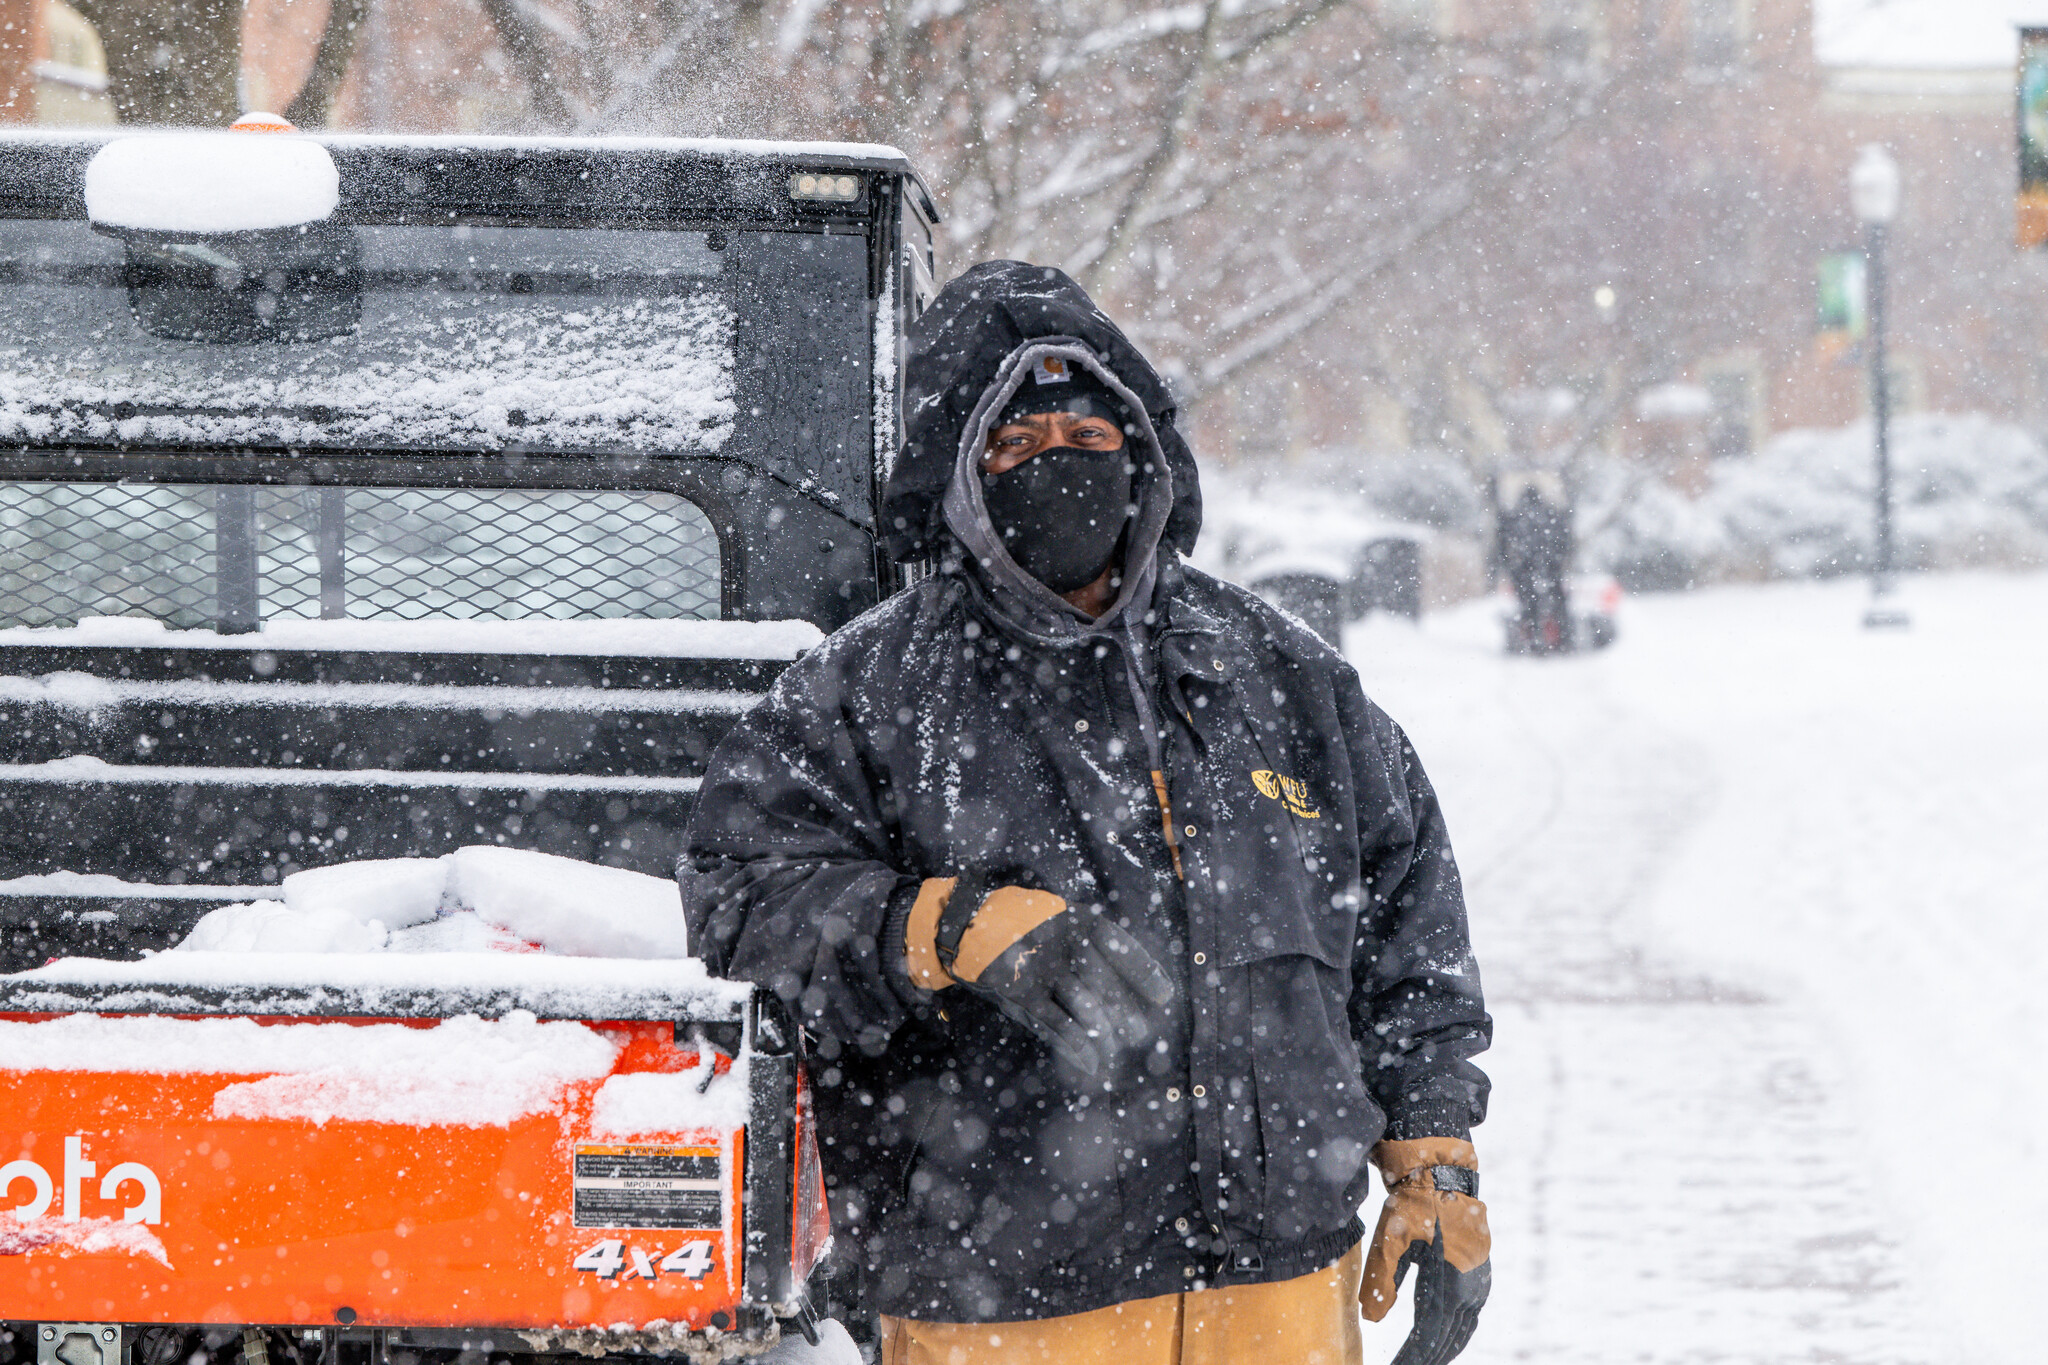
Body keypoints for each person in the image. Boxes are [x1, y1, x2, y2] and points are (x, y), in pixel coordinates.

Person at [683, 261, 1492, 1364]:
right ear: (961, 475)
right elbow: (739, 897)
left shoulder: (1281, 677)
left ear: (1140, 448)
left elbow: (1405, 925)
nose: (1056, 462)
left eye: (1085, 432)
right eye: (1013, 445)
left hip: (1277, 1291)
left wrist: (1432, 1161)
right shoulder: (868, 691)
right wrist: (947, 928)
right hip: (1000, 1303)